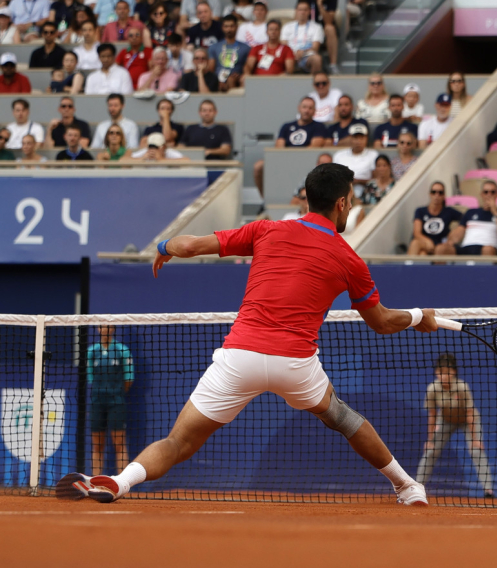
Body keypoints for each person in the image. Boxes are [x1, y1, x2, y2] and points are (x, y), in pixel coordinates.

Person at [57, 163, 438, 507]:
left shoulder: (265, 229)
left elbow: (189, 245)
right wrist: (419, 316)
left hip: (240, 357)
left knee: (179, 442)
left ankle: (121, 482)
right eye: (351, 201)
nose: (351, 207)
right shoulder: (349, 258)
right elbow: (383, 321)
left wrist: (163, 246)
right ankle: (407, 486)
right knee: (344, 418)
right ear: (340, 203)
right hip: (296, 365)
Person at [417, 353, 494, 497]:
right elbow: (432, 415)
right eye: (440, 372)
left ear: (453, 372)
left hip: (467, 421)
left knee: (476, 451)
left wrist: (475, 439)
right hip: (445, 421)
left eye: (447, 372)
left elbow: (470, 413)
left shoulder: (462, 387)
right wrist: (430, 439)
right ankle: (417, 487)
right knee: (430, 451)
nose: (443, 376)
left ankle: (488, 490)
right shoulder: (432, 389)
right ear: (436, 373)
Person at [252, 97, 327, 196]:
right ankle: (265, 198)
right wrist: (287, 157)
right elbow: (279, 146)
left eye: (310, 108)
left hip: (307, 159)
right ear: (299, 108)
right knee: (258, 166)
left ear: (314, 111)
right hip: (283, 158)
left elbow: (314, 147)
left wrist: (294, 156)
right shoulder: (286, 126)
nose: (307, 110)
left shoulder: (319, 127)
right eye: (304, 107)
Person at [85, 326, 134, 478]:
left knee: (119, 444)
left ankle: (123, 483)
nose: (105, 329)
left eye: (108, 326)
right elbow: (91, 378)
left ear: (113, 329)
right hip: (97, 402)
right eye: (101, 326)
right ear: (98, 329)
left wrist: (116, 392)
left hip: (116, 402)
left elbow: (129, 379)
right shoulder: (92, 352)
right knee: (97, 445)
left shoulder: (122, 351)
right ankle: (95, 483)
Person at [439, 180, 497, 256]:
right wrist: (451, 240)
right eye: (486, 192)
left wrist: (495, 213)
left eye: (492, 192)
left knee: (487, 250)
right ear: (481, 194)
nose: (489, 195)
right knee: (441, 249)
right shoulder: (470, 212)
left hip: (489, 248)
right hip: (466, 247)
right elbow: (456, 235)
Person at [409, 181, 461, 256]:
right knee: (417, 246)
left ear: (444, 196)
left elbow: (465, 218)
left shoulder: (449, 211)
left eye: (440, 193)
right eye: (434, 192)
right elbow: (416, 232)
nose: (437, 195)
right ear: (430, 194)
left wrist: (455, 231)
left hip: (440, 245)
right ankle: (408, 266)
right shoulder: (420, 211)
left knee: (423, 253)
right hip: (425, 243)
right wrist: (428, 241)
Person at [208, 14, 251, 90]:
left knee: (231, 80)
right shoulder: (214, 47)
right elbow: (211, 70)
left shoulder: (245, 48)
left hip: (235, 79)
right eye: (226, 26)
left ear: (237, 27)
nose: (229, 29)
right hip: (218, 79)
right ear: (222, 28)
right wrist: (217, 81)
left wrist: (241, 76)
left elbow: (247, 69)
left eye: (232, 26)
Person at [333, 123, 378, 194]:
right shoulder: (339, 155)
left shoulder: (373, 155)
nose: (358, 141)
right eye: (355, 138)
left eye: (361, 138)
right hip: (342, 190)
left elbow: (377, 179)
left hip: (365, 190)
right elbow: (334, 178)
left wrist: (358, 181)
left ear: (366, 138)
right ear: (350, 138)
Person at [280, 0, 323, 74]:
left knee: (317, 59)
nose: (302, 12)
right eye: (300, 10)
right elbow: (283, 45)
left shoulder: (316, 27)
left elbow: (315, 47)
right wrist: (292, 54)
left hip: (306, 56)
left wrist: (302, 52)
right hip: (289, 56)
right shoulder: (287, 26)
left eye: (305, 10)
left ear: (309, 11)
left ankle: (313, 83)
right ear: (296, 11)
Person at [126, 131, 190, 161]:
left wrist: (162, 159)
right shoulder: (146, 152)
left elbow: (186, 160)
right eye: (151, 147)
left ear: (164, 147)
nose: (153, 150)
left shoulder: (168, 152)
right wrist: (142, 158)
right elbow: (123, 160)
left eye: (156, 147)